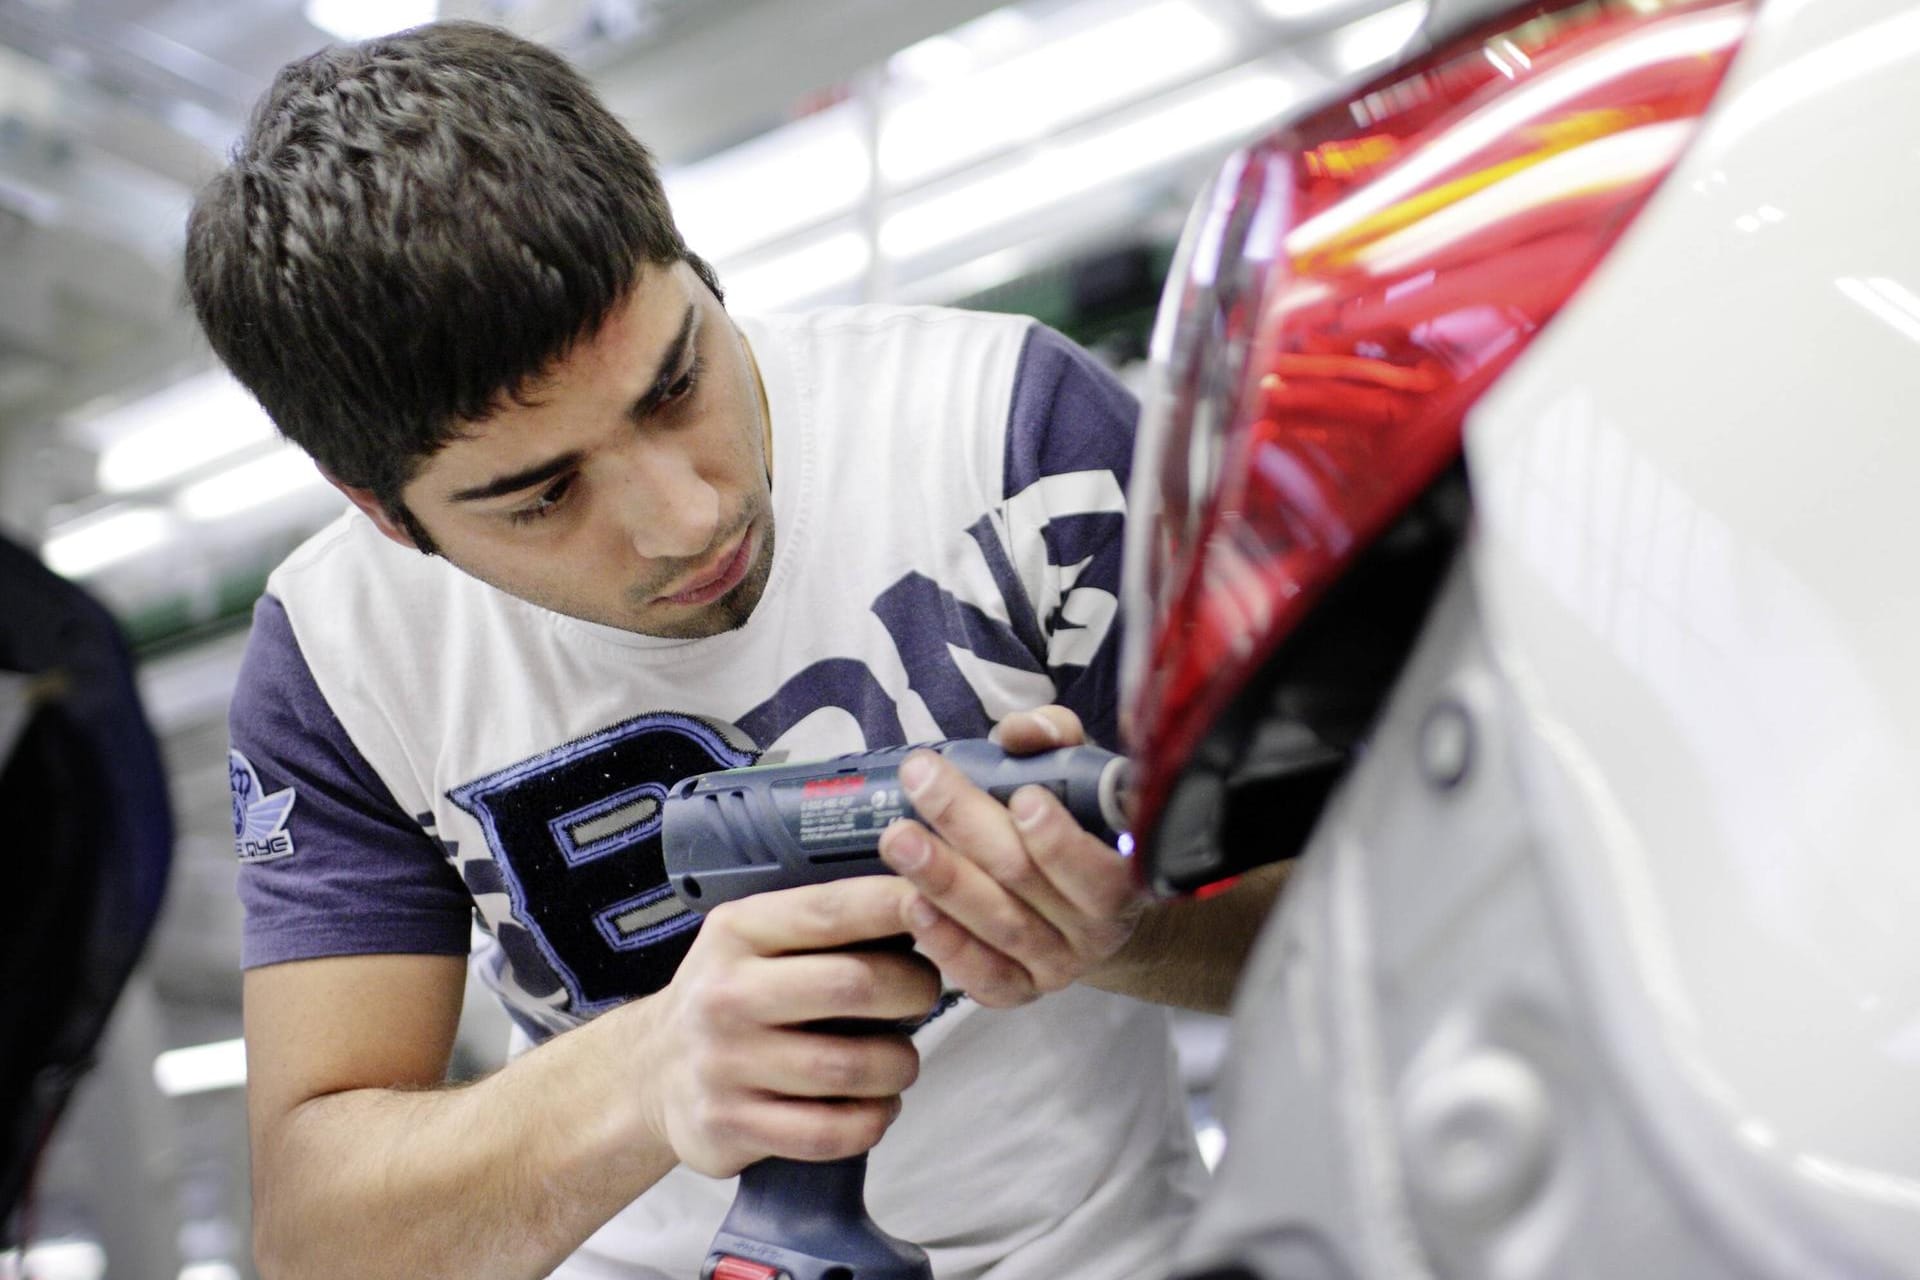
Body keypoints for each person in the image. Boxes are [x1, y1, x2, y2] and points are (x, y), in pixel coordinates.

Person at [184, 21, 1282, 1280]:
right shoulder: (340, 657)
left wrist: (1126, 923)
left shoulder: (1008, 431)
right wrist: (649, 1071)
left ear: (690, 259)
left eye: (674, 383)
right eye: (543, 495)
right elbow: (318, 1240)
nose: (689, 516)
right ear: (382, 509)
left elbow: (1346, 909)